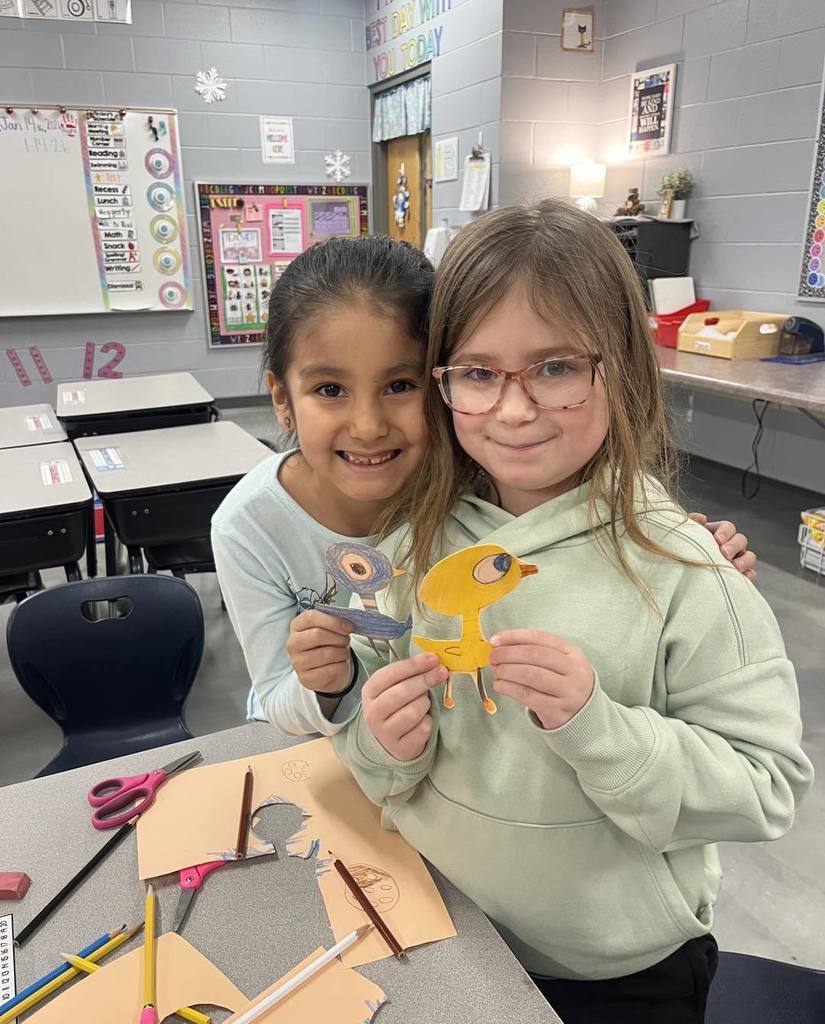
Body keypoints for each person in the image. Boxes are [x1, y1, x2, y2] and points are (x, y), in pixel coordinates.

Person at [292, 202, 812, 1023]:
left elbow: (765, 787)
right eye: (476, 372)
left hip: (612, 975)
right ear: (444, 382)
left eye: (557, 367)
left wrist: (599, 727)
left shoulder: (685, 571)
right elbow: (383, 757)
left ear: (622, 369)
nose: (512, 409)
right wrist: (368, 727)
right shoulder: (419, 545)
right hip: (442, 932)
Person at [214, 232, 754, 738]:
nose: (368, 426)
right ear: (282, 397)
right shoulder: (250, 527)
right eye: (330, 389)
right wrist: (327, 685)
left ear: (444, 379)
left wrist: (680, 556)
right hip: (322, 749)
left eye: (400, 385)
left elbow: (580, 547)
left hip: (449, 754)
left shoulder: (485, 479)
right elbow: (276, 699)